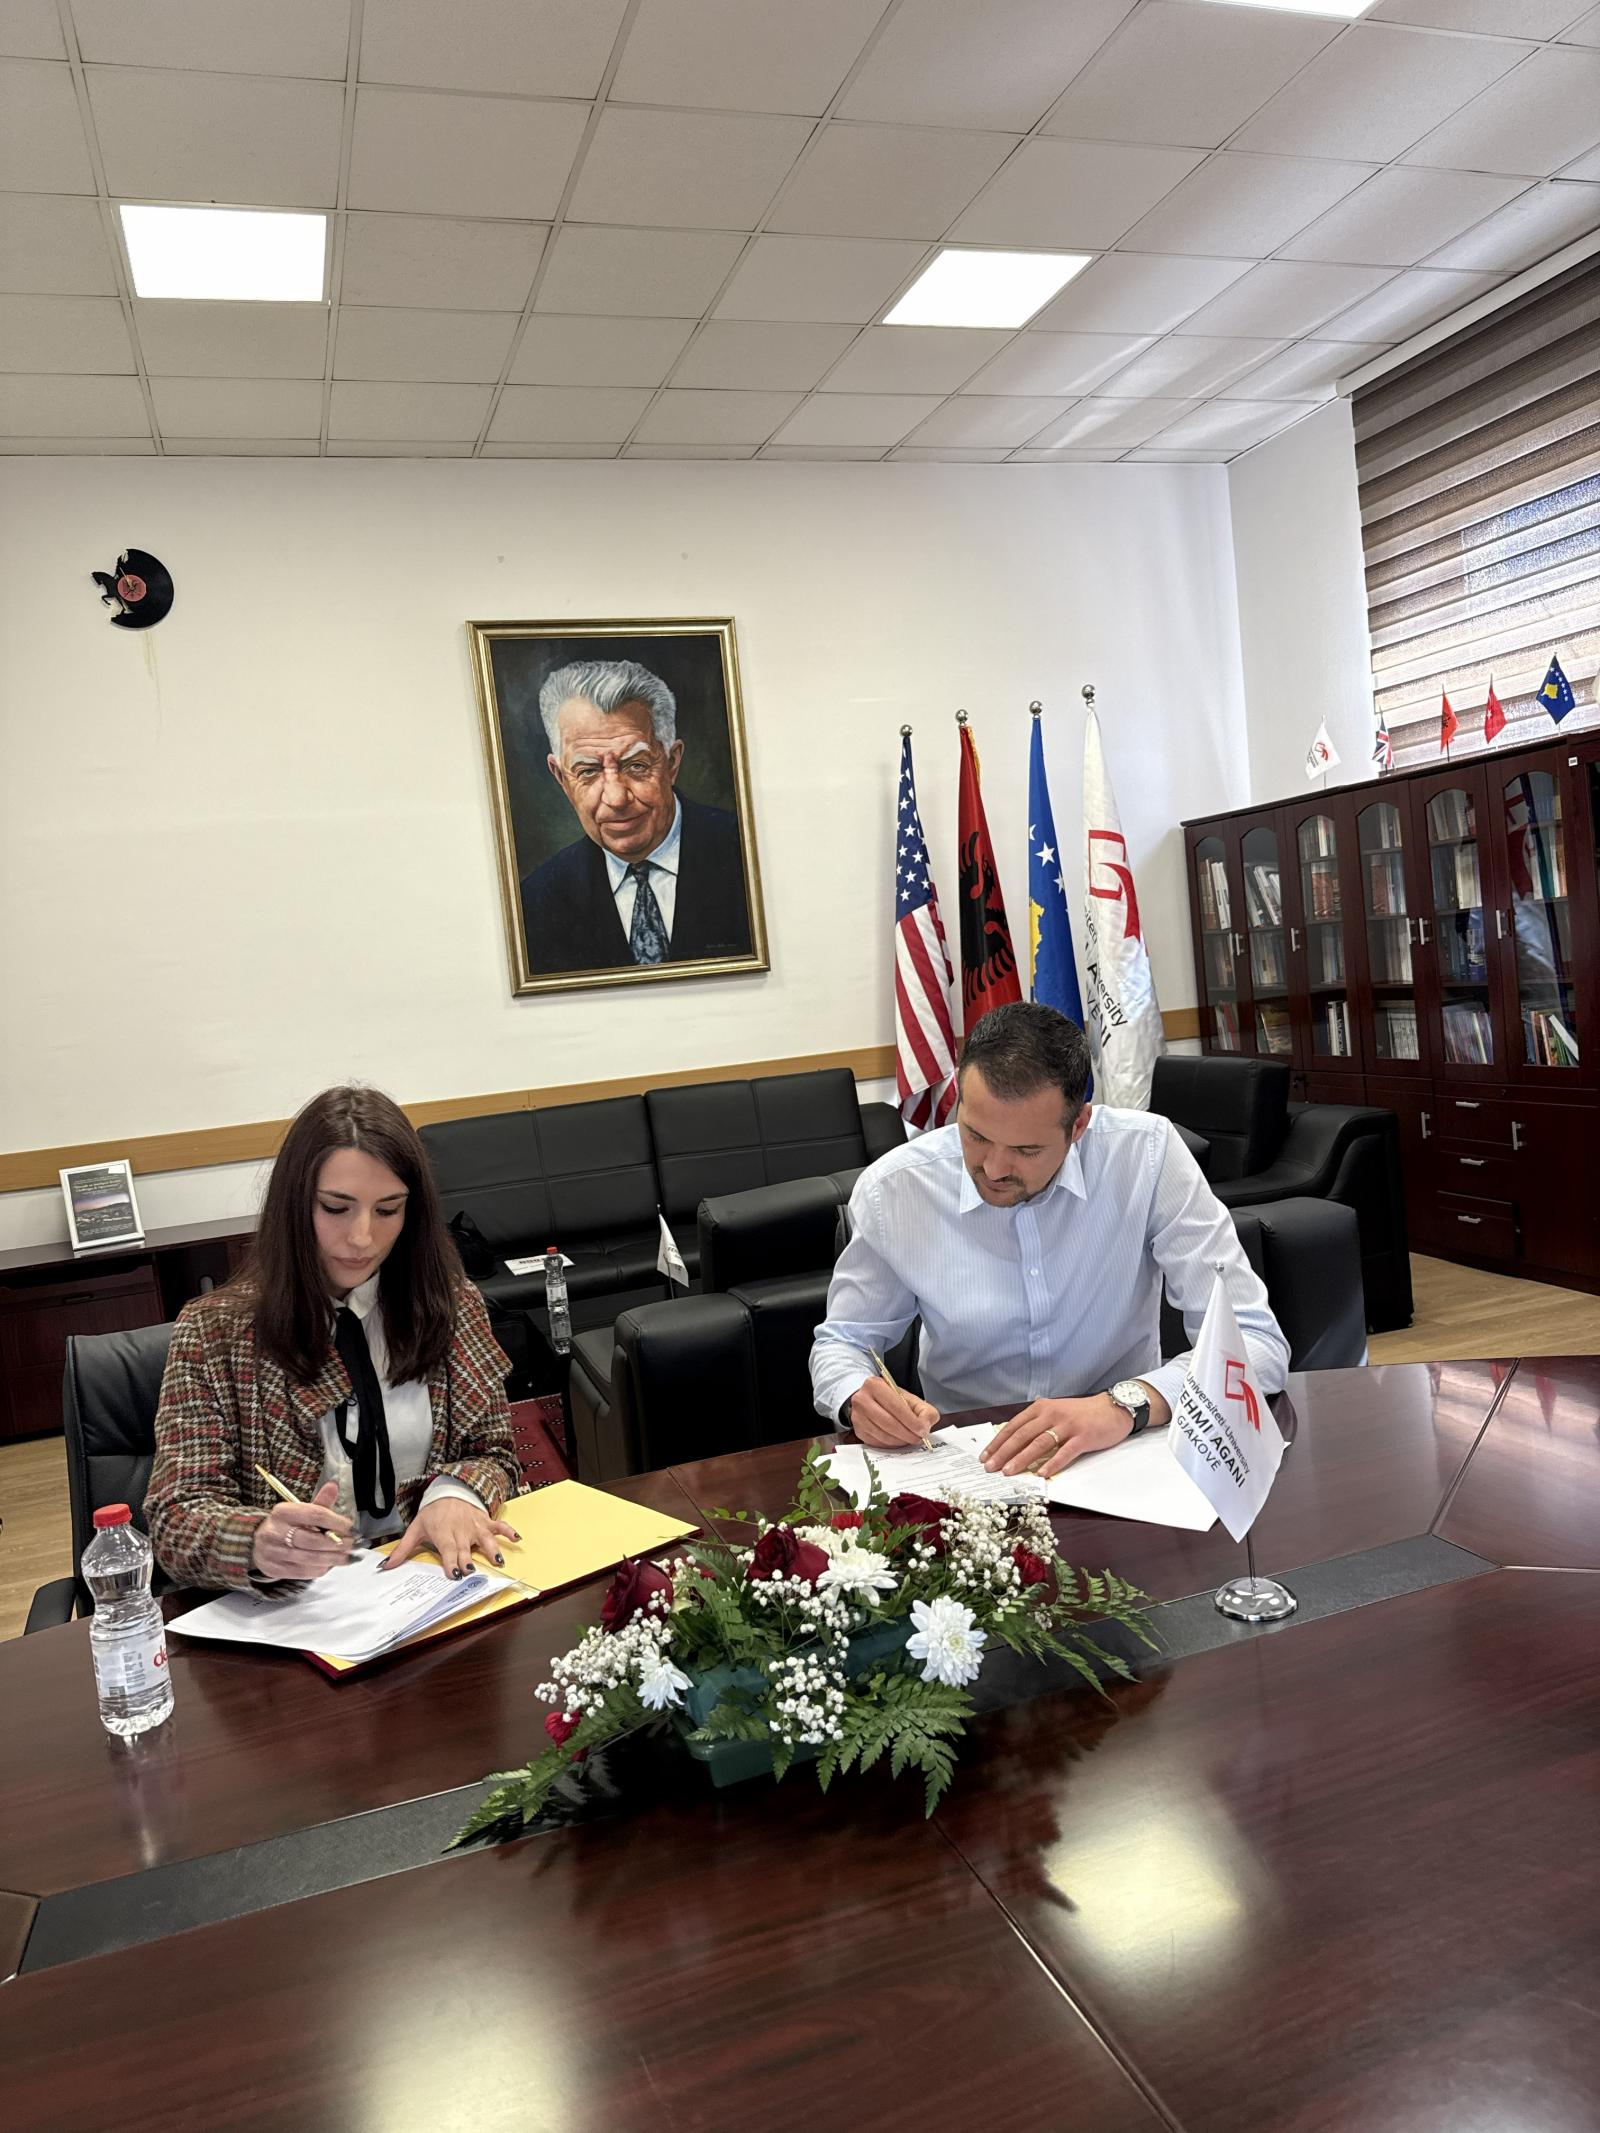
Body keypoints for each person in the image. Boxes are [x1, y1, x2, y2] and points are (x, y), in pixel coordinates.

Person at [810, 1002, 1289, 1480]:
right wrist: (856, 1396)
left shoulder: (1146, 1156)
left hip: (1119, 1452)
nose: (994, 1169)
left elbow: (1255, 1343)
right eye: (975, 1136)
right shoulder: (895, 1189)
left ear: (1078, 1126)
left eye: (1026, 1149)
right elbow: (841, 1344)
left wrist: (1125, 1405)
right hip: (969, 1463)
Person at [147, 1086, 521, 1590]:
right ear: (296, 1204)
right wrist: (257, 1541)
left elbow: (494, 1454)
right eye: (335, 1208)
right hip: (295, 1609)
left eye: (387, 1210)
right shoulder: (213, 1333)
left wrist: (455, 1493)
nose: (362, 1238)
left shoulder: (450, 1305)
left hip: (430, 1587)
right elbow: (176, 1517)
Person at [518, 656, 753, 975]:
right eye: (588, 771)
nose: (616, 798)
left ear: (671, 762)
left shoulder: (748, 855)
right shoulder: (535, 903)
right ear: (561, 778)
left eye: (636, 765)